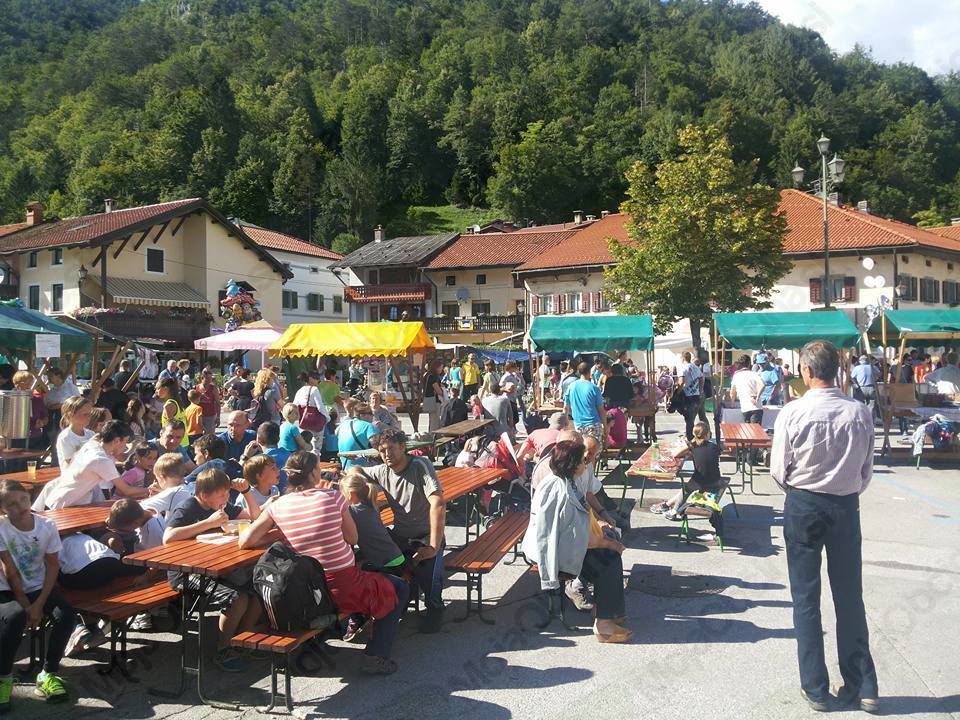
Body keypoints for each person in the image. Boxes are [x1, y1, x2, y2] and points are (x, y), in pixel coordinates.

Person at [770, 340, 878, 714]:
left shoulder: (793, 412)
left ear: (807, 371)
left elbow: (778, 470)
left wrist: (802, 489)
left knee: (805, 597)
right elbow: (866, 470)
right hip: (845, 505)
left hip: (804, 503)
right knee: (849, 595)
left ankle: (815, 687)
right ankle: (863, 685)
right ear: (837, 370)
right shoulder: (859, 412)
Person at [240, 452, 408, 675]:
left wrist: (282, 533)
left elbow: (246, 540)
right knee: (398, 587)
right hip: (342, 587)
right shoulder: (333, 497)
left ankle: (345, 632)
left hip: (306, 591)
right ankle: (375, 654)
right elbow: (353, 539)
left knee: (377, 581)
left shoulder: (278, 505)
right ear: (313, 474)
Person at [521, 440, 629, 643]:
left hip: (556, 546)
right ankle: (604, 624)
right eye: (582, 461)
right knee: (610, 559)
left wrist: (602, 527)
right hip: (552, 555)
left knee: (608, 551)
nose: (585, 464)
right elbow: (582, 539)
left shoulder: (562, 481)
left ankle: (606, 611)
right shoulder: (561, 491)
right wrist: (610, 544)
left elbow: (579, 525)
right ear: (572, 464)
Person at [165, 468, 263, 674]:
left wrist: (246, 492)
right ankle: (223, 649)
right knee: (237, 599)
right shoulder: (188, 507)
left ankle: (243, 640)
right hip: (187, 573)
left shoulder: (223, 506)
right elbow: (168, 537)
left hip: (217, 567)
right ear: (204, 495)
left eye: (227, 493)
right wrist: (207, 523)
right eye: (222, 494)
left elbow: (255, 516)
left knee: (257, 590)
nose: (226, 498)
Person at [0, 480, 76, 708]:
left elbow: (52, 565)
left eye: (23, 499)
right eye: (11, 504)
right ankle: (4, 678)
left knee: (66, 616)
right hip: (7, 588)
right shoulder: (2, 528)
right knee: (15, 618)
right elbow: (9, 569)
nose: (20, 506)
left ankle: (48, 673)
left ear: (30, 497)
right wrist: (26, 605)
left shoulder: (46, 525)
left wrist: (39, 604)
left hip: (38, 586)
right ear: (3, 509)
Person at [366, 428, 445, 633]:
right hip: (401, 536)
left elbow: (438, 503)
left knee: (430, 579)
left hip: (426, 536)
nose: (387, 454)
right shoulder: (381, 471)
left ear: (403, 447)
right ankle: (399, 602)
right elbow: (356, 472)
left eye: (391, 448)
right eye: (382, 450)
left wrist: (433, 546)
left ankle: (435, 609)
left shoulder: (420, 465)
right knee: (379, 565)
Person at [43, 422, 148, 509]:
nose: (126, 446)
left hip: (61, 500)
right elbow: (126, 490)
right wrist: (150, 490)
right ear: (116, 440)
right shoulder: (102, 460)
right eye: (125, 441)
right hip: (63, 506)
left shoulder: (91, 444)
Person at [650, 422, 723, 520]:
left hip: (701, 480)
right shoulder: (714, 446)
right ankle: (666, 505)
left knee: (685, 490)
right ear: (706, 435)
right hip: (716, 479)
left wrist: (689, 445)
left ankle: (674, 511)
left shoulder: (693, 447)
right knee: (687, 488)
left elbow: (675, 454)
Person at [140, 453, 194, 520]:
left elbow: (139, 509)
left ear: (162, 477)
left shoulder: (171, 493)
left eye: (157, 479)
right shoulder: (193, 486)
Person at [563, 362, 606, 441]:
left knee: (581, 448)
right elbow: (601, 410)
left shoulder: (571, 387)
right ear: (589, 372)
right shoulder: (594, 388)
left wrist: (566, 421)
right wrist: (605, 427)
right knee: (594, 448)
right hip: (593, 424)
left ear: (578, 372)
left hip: (578, 424)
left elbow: (565, 407)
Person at [12, 370, 48, 451]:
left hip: (35, 437)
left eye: (30, 382)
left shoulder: (37, 399)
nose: (29, 385)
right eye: (25, 382)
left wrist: (42, 422)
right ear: (17, 384)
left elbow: (45, 416)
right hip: (16, 438)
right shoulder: (10, 399)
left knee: (34, 458)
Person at [337, 403, 380, 469]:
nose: (372, 416)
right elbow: (378, 446)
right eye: (370, 413)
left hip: (346, 467)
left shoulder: (343, 425)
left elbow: (336, 433)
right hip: (363, 469)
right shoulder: (369, 426)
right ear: (362, 415)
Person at [55, 396, 95, 468]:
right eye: (85, 414)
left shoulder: (91, 434)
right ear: (70, 415)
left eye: (90, 414)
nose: (89, 417)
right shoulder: (66, 437)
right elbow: (71, 462)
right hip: (73, 474)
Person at [729, 354, 765, 424]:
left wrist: (732, 404)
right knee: (756, 430)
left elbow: (732, 392)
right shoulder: (754, 374)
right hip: (756, 407)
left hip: (745, 407)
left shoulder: (736, 375)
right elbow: (763, 385)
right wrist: (757, 397)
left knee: (747, 429)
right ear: (749, 363)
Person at [44, 367, 80, 432]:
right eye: (48, 376)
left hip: (65, 417)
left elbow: (78, 401)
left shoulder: (70, 387)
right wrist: (51, 405)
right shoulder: (52, 390)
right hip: (51, 417)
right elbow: (47, 402)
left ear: (58, 376)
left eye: (51, 376)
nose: (49, 378)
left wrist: (62, 404)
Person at [156, 377, 188, 447]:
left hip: (175, 444)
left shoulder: (169, 405)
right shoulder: (178, 402)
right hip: (183, 441)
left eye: (158, 388)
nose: (156, 391)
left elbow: (171, 427)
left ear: (165, 389)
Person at [678, 351, 703, 441]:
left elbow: (681, 382)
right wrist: (700, 390)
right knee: (691, 418)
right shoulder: (696, 367)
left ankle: (690, 438)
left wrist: (678, 392)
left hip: (687, 396)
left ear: (683, 358)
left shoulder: (683, 368)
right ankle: (691, 436)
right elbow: (701, 379)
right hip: (696, 395)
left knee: (689, 419)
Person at [194, 369, 221, 436]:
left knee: (209, 436)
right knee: (198, 436)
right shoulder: (196, 388)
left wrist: (218, 417)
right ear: (202, 378)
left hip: (210, 416)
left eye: (211, 378)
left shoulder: (213, 388)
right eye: (207, 378)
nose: (210, 380)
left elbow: (218, 403)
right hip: (199, 416)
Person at [422, 359, 444, 432]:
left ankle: (432, 434)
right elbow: (438, 390)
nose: (441, 369)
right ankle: (433, 436)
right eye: (441, 367)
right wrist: (443, 392)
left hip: (428, 399)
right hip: (434, 400)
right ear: (436, 367)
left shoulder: (427, 375)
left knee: (432, 420)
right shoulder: (433, 377)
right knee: (435, 421)